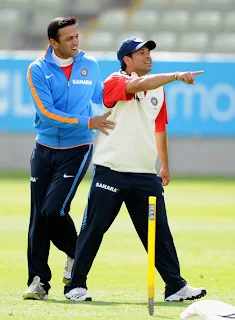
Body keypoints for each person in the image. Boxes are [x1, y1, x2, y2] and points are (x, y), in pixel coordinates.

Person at [64, 37, 207, 302]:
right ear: (126, 61)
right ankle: (76, 286)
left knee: (158, 232)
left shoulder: (158, 90)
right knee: (94, 229)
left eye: (149, 52)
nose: (148, 56)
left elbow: (159, 127)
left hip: (144, 175)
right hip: (111, 170)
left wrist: (164, 165)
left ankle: (175, 286)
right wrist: (175, 75)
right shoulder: (115, 81)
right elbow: (137, 84)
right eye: (141, 53)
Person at [23, 16, 115, 300]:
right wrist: (88, 121)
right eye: (69, 38)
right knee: (38, 217)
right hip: (44, 148)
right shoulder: (37, 69)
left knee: (53, 210)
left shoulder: (90, 65)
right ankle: (38, 281)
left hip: (77, 148)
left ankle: (76, 256)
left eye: (77, 36)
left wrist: (131, 87)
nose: (76, 41)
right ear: (54, 43)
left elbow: (104, 96)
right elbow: (47, 112)